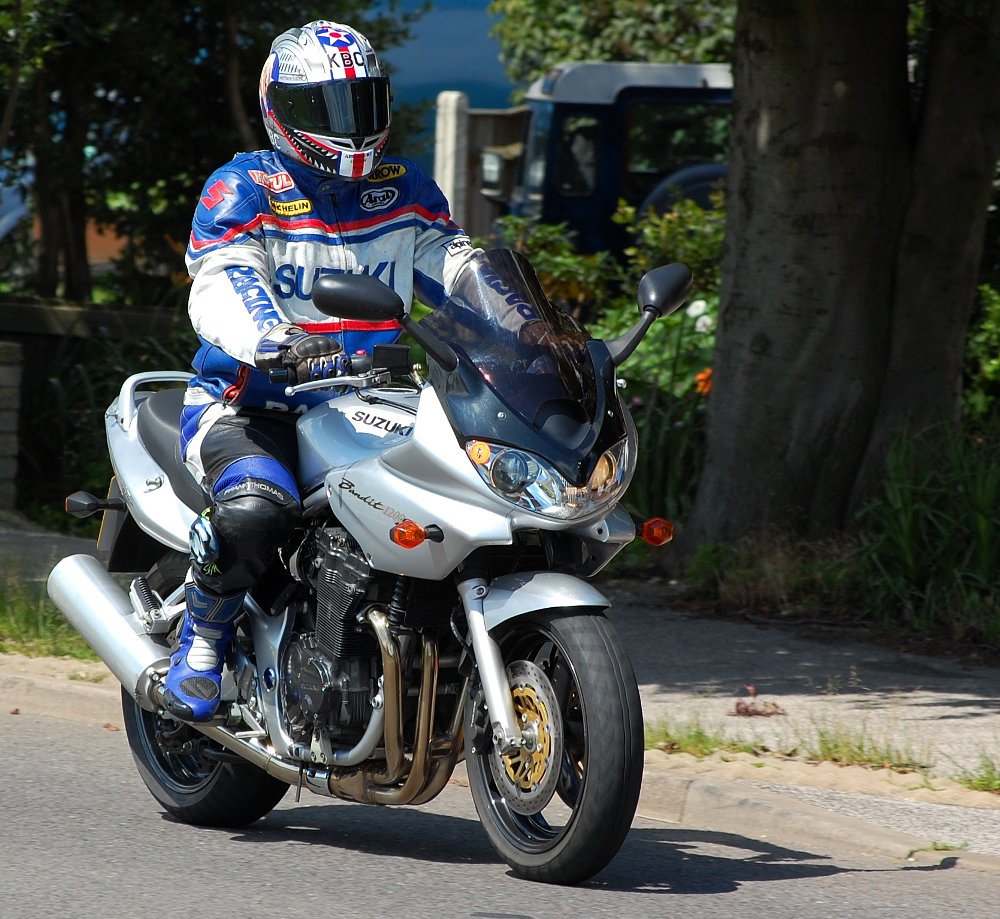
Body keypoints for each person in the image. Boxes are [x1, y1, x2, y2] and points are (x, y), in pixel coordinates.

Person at [162, 20, 478, 722]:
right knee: (255, 511)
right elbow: (223, 282)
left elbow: (460, 270)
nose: (349, 127)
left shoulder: (405, 190)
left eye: (359, 105)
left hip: (376, 403)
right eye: (326, 110)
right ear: (283, 109)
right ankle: (202, 638)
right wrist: (274, 338)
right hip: (253, 405)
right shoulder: (243, 187)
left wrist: (529, 324)